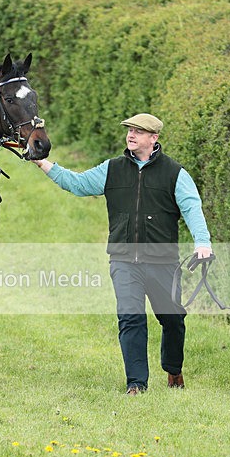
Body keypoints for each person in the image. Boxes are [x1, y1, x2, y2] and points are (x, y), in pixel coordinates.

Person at [34, 113, 213, 394]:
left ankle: (173, 369)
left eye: (138, 131)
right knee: (130, 318)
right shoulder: (112, 168)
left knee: (172, 319)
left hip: (163, 262)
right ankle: (136, 383)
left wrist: (202, 243)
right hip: (123, 260)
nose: (131, 135)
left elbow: (192, 208)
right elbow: (77, 184)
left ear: (153, 138)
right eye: (130, 130)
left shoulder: (175, 173)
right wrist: (42, 163)